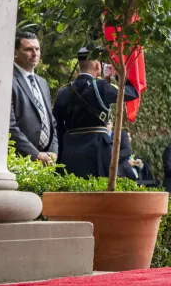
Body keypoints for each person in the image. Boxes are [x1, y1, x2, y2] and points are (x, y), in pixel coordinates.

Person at [54, 47, 139, 179]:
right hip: (97, 149)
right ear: (98, 65)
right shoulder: (101, 86)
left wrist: (61, 155)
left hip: (70, 151)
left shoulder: (63, 91)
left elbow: (58, 127)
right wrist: (117, 73)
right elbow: (132, 92)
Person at [10, 31, 58, 164]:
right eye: (28, 49)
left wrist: (53, 151)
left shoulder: (42, 83)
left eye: (37, 49)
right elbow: (10, 126)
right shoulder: (8, 80)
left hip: (46, 160)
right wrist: (35, 154)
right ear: (15, 52)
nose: (35, 53)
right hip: (20, 160)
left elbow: (51, 121)